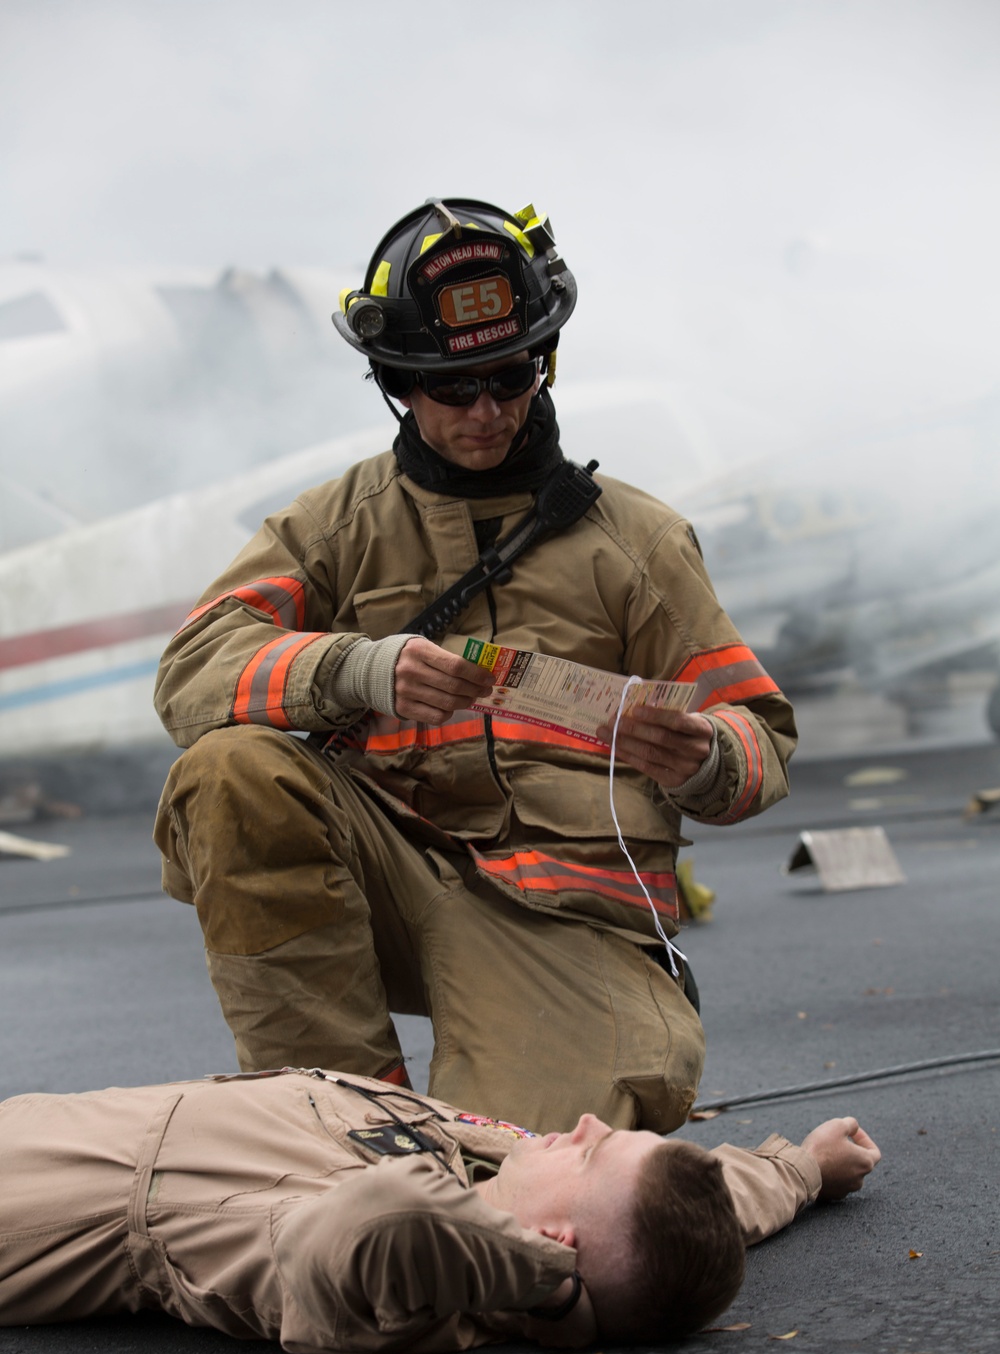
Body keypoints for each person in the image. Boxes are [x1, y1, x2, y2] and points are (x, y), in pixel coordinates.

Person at [153, 197, 797, 1135]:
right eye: (455, 390)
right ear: (397, 383)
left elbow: (764, 741)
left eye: (511, 376)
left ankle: (474, 1130)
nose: (488, 412)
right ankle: (349, 1130)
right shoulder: (334, 529)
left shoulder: (639, 542)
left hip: (572, 918)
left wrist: (701, 753)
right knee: (229, 773)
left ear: (544, 365)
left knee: (535, 1180)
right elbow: (192, 674)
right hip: (394, 872)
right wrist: (355, 670)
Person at [0, 1068, 880, 1354]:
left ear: (553, 1246)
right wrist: (797, 1167)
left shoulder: (391, 1291)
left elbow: (384, 1220)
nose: (581, 1126)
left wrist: (549, 1291)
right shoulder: (501, 1176)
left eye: (594, 1152)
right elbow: (694, 1215)